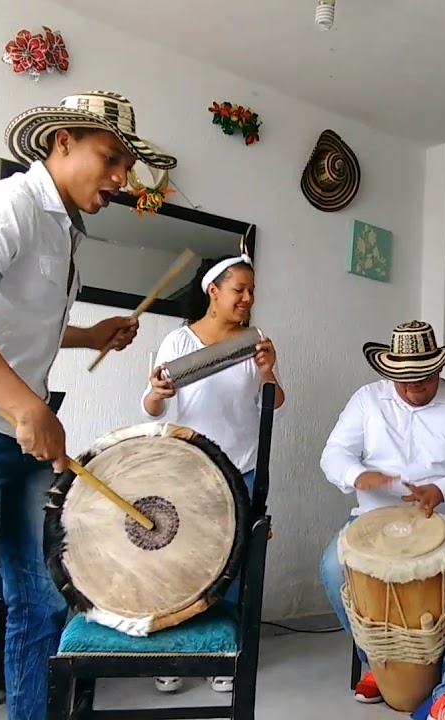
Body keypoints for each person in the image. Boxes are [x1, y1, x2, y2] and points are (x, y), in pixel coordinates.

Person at [0, 91, 174, 720]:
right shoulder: (6, 206)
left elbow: (11, 318)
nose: (121, 180)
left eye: (126, 168)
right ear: (62, 142)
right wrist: (29, 409)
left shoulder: (61, 226)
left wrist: (87, 335)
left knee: (42, 603)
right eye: (110, 159)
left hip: (15, 434)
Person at [318, 320, 445, 720]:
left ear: (439, 369)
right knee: (332, 567)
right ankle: (382, 669)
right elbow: (333, 454)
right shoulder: (367, 401)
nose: (409, 391)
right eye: (400, 382)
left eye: (419, 382)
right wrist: (358, 475)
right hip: (373, 521)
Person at [142, 253, 286, 694]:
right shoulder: (178, 343)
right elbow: (152, 408)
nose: (248, 298)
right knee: (183, 561)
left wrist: (267, 371)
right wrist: (156, 391)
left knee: (233, 564)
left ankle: (224, 655)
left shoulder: (255, 340)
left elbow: (275, 401)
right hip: (188, 469)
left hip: (241, 468)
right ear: (214, 292)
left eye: (252, 291)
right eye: (239, 290)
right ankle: (173, 654)